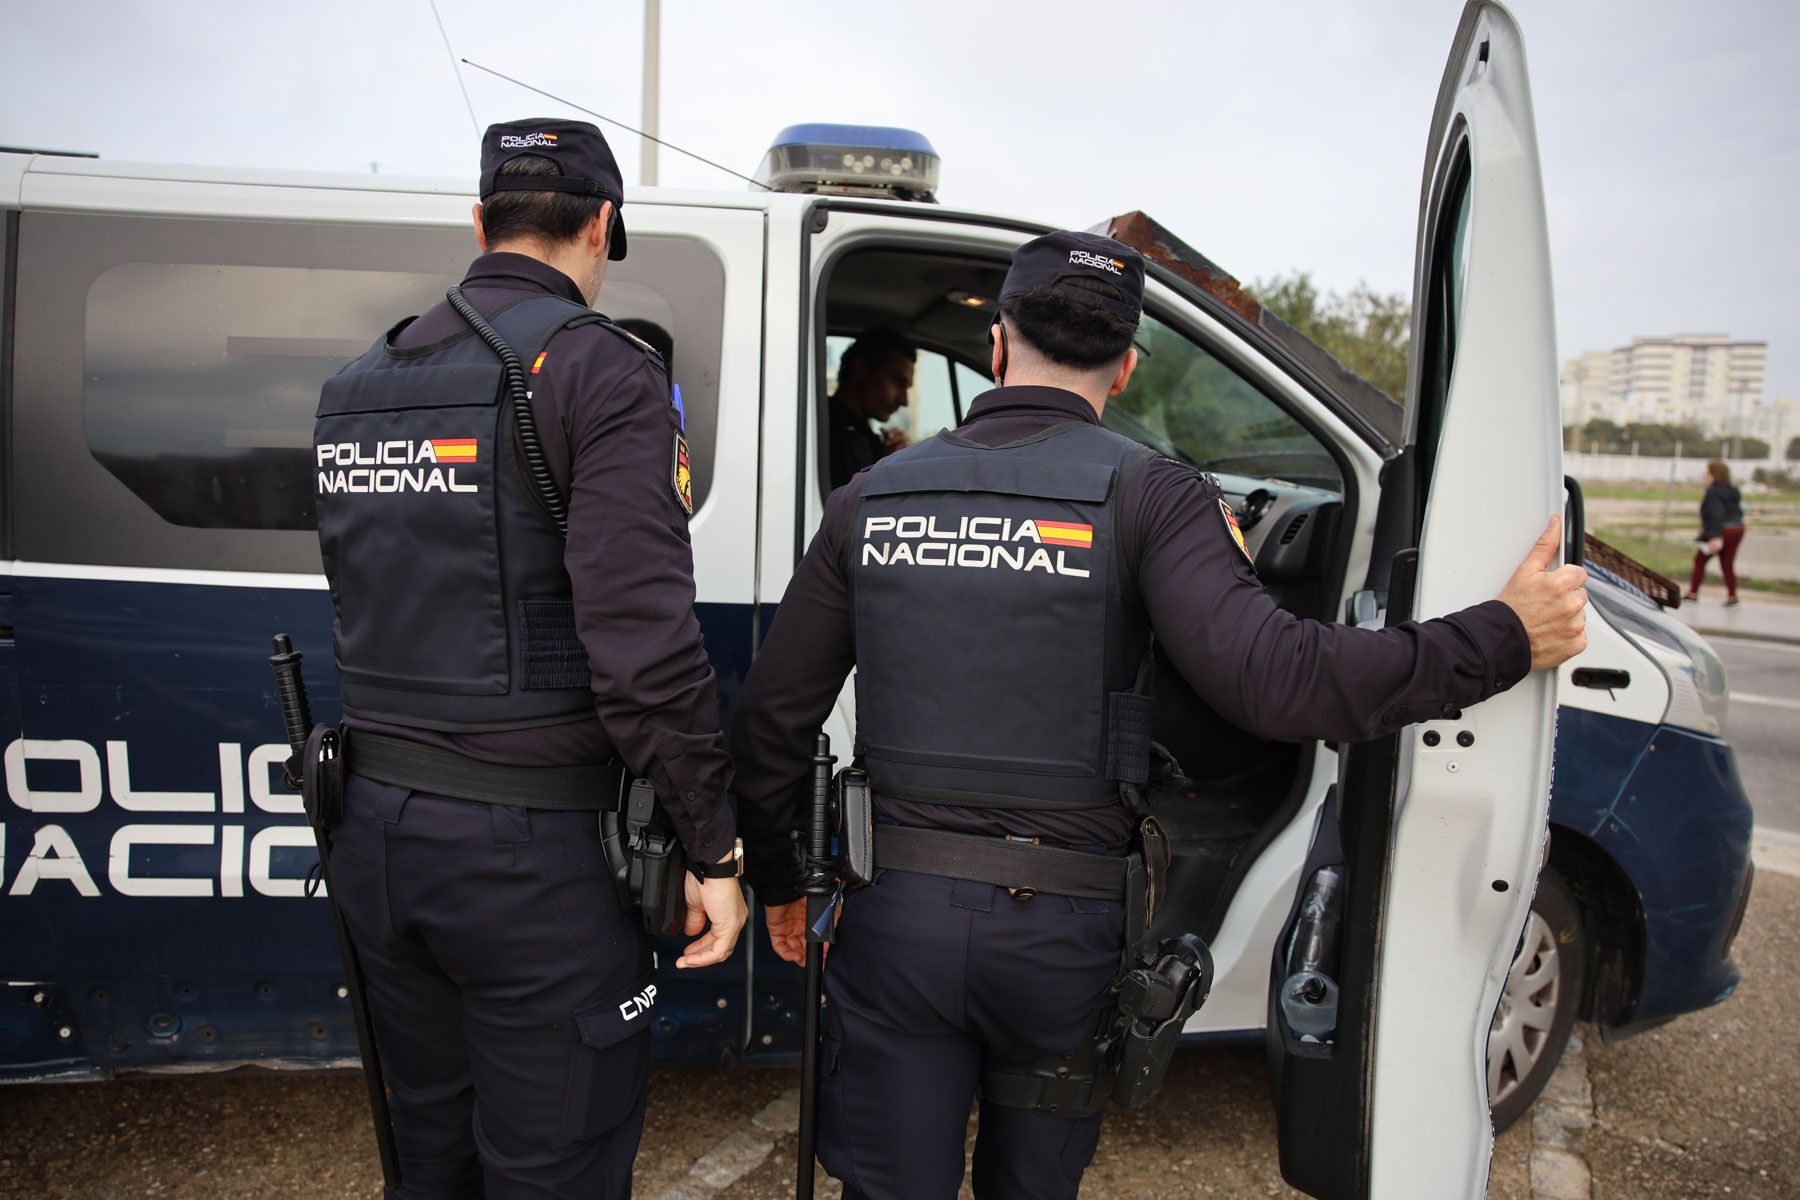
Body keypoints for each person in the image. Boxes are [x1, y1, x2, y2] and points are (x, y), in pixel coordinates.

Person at [729, 231, 1589, 1200]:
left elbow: (771, 719)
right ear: (1128, 367)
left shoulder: (873, 498)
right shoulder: (1153, 495)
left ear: (1001, 345)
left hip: (897, 926)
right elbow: (1282, 684)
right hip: (1062, 939)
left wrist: (781, 883)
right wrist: (1504, 636)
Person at [312, 118, 746, 1199]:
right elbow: (644, 652)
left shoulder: (356, 384)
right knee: (553, 1166)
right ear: (603, 225)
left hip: (375, 834)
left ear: (480, 222)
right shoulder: (603, 371)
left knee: (433, 1154)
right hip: (528, 858)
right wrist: (716, 850)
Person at [828, 327, 917, 487]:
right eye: (898, 382)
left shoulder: (855, 435)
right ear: (860, 368)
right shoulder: (846, 441)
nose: (904, 401)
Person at [1687, 459, 1746, 605]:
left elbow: (1715, 513)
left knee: (1700, 560)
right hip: (1737, 529)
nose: (1706, 476)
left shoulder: (1713, 492)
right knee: (1727, 563)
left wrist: (1714, 536)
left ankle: (1693, 593)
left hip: (1722, 530)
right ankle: (1732, 595)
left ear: (1714, 475)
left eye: (1708, 473)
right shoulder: (1734, 490)